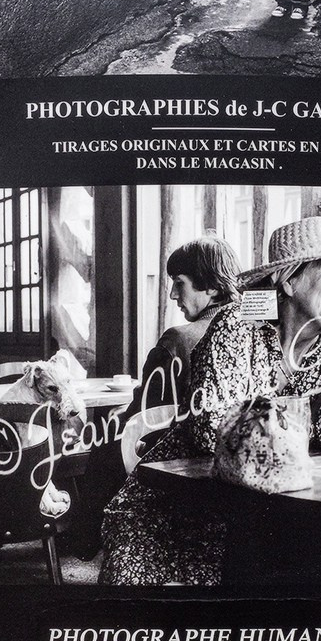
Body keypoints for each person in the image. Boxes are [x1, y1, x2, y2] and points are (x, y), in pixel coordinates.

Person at [98, 216, 321, 586]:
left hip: (267, 514)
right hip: (178, 512)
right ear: (289, 279)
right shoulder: (238, 325)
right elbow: (213, 435)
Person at [75, 236, 241, 559]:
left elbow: (144, 415)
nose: (172, 294)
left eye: (180, 284)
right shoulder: (253, 329)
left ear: (211, 287)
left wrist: (115, 421)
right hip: (226, 460)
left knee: (103, 445)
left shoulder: (177, 338)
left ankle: (83, 544)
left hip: (172, 459)